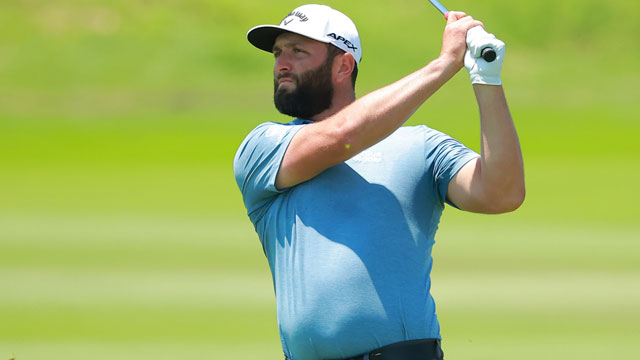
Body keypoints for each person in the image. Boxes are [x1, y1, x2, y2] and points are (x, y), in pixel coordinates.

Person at [233, 4, 524, 360]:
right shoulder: (265, 147)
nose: (282, 63)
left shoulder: (420, 146)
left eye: (298, 51)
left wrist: (486, 79)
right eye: (278, 52)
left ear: (343, 65)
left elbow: (502, 193)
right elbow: (341, 138)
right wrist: (444, 64)